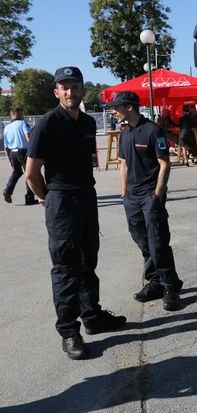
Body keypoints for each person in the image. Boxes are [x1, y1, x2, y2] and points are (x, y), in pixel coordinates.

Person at [25, 67, 126, 360]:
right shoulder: (47, 124)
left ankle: (92, 316)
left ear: (83, 90)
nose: (70, 92)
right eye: (64, 87)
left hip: (87, 198)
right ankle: (69, 332)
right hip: (61, 203)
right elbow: (31, 173)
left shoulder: (87, 124)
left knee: (87, 261)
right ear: (56, 92)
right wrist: (46, 197)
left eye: (75, 86)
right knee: (66, 270)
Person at [109, 91, 183, 311]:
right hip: (131, 198)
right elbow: (123, 164)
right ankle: (154, 281)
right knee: (142, 242)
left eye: (116, 107)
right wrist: (124, 194)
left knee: (157, 242)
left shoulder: (153, 130)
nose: (113, 111)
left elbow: (164, 163)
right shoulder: (125, 133)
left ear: (129, 107)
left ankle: (171, 286)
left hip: (150, 196)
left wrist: (157, 196)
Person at [3, 107, 38, 205]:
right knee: (29, 173)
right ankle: (29, 197)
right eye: (22, 114)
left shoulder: (6, 127)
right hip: (23, 152)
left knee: (16, 173)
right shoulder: (23, 123)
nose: (23, 116)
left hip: (12, 153)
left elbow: (5, 146)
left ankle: (8, 190)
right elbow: (28, 137)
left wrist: (9, 162)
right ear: (17, 114)